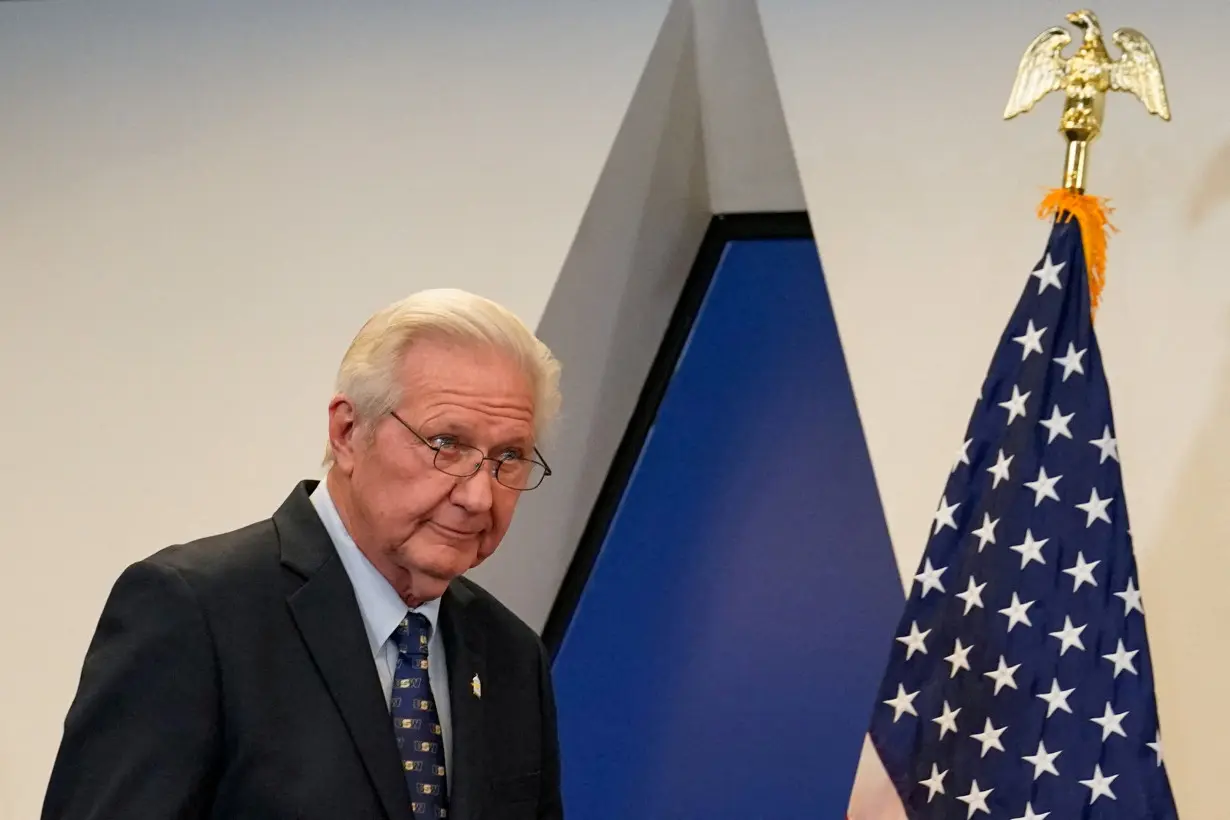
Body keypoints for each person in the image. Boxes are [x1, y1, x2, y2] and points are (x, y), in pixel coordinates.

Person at [41, 288, 565, 820]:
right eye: (446, 443)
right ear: (347, 431)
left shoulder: (511, 655)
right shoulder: (194, 613)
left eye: (509, 456)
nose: (478, 496)